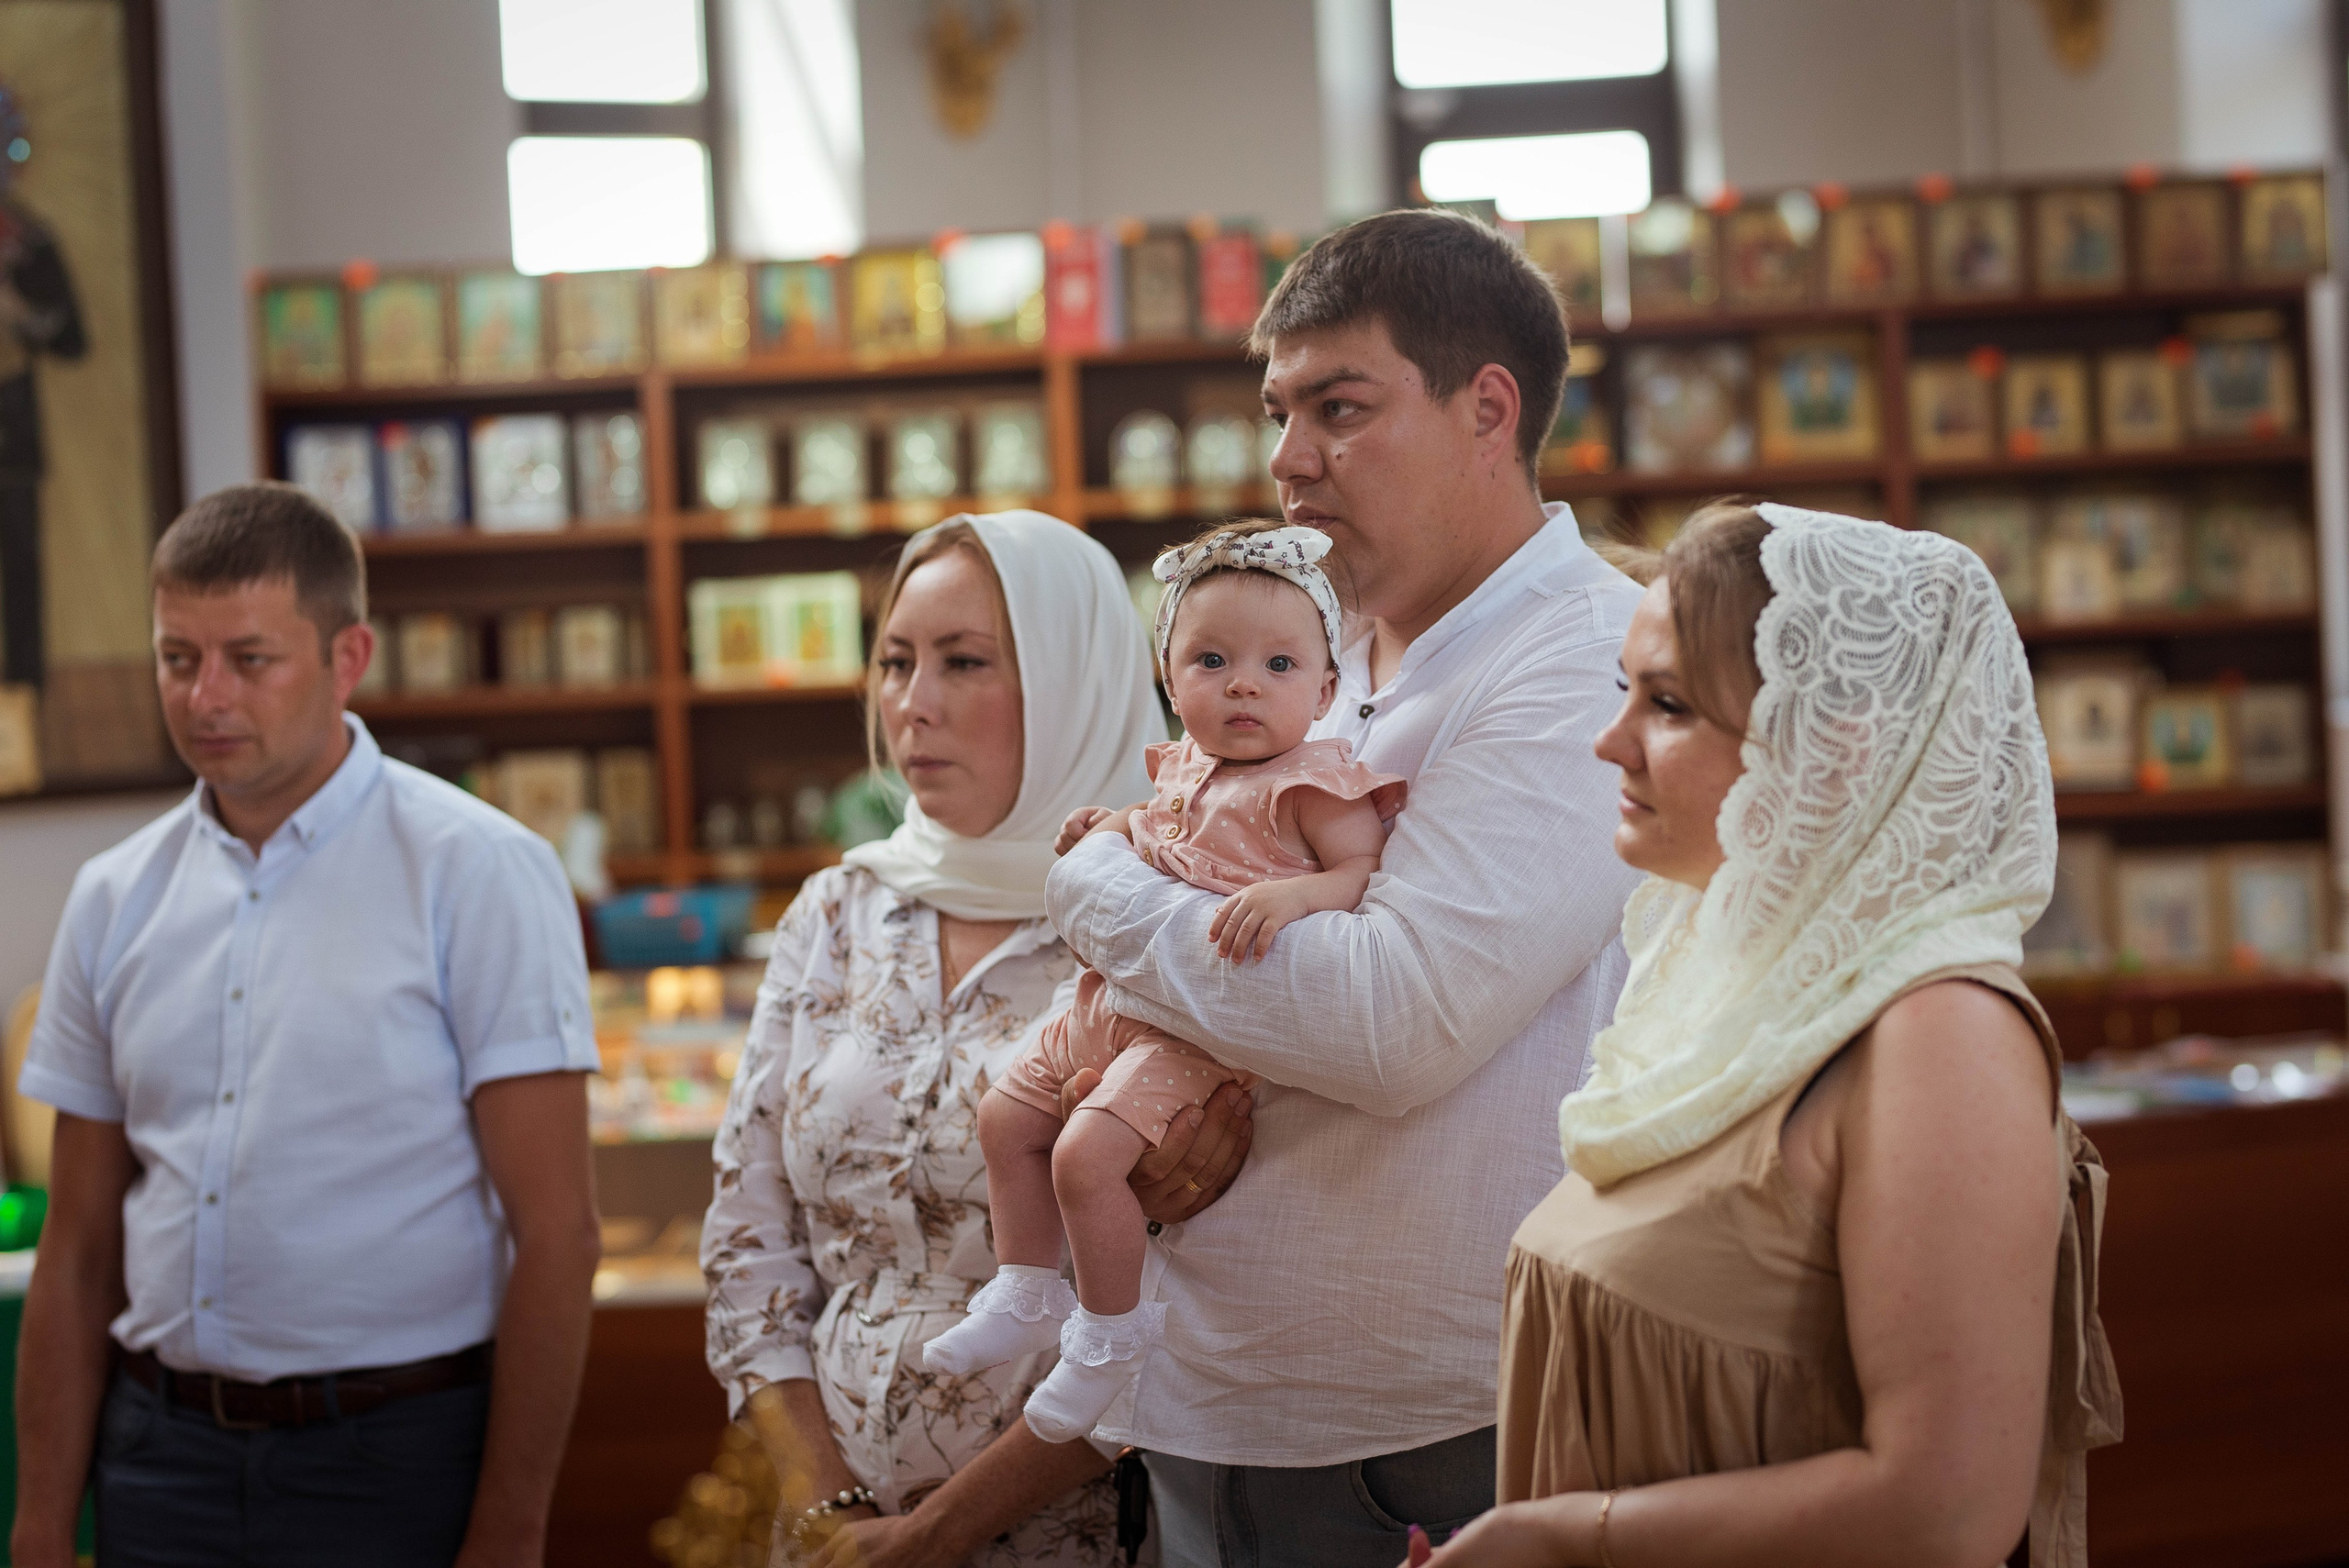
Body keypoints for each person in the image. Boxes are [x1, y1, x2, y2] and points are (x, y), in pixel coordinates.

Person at [1043, 208, 1646, 1562]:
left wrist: (1092, 891)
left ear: (1488, 408)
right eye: (1276, 409)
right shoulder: (1325, 654)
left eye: (1340, 407)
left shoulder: (1583, 655)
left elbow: (1389, 1022)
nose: (1286, 458)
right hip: (1221, 1404)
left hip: (1410, 1443)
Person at [1428, 502, 2121, 1566]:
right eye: (1624, 690)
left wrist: (1567, 1539)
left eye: (1665, 704)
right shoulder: (1718, 980)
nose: (1608, 740)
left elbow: (1945, 1509)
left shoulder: (1937, 1033)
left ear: (1830, 741)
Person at [12, 483, 604, 1568]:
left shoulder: (480, 871)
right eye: (177, 658)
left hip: (396, 1453)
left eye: (250, 657)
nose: (205, 696)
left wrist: (511, 1528)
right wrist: (42, 1520)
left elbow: (558, 1233)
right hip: (157, 1456)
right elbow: (80, 1238)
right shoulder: (112, 894)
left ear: (347, 657)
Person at [700, 510, 1253, 1566]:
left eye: (964, 662)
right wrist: (827, 1508)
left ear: (1069, 677)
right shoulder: (838, 910)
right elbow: (747, 1243)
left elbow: (1193, 1294)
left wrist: (933, 1535)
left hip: (1074, 1534)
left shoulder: (1166, 922)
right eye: (896, 661)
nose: (913, 704)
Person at [925, 521, 1403, 1443]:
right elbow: (1160, 832)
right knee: (1005, 1116)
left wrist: (1299, 891)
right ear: (1169, 677)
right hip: (1111, 1001)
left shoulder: (1313, 782)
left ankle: (1108, 1332)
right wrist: (1113, 822)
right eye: (1211, 659)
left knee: (1082, 1154)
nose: (1243, 683)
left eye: (1278, 663)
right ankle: (1024, 1285)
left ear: (1328, 687)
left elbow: (1360, 876)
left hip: (1198, 1032)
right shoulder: (1186, 766)